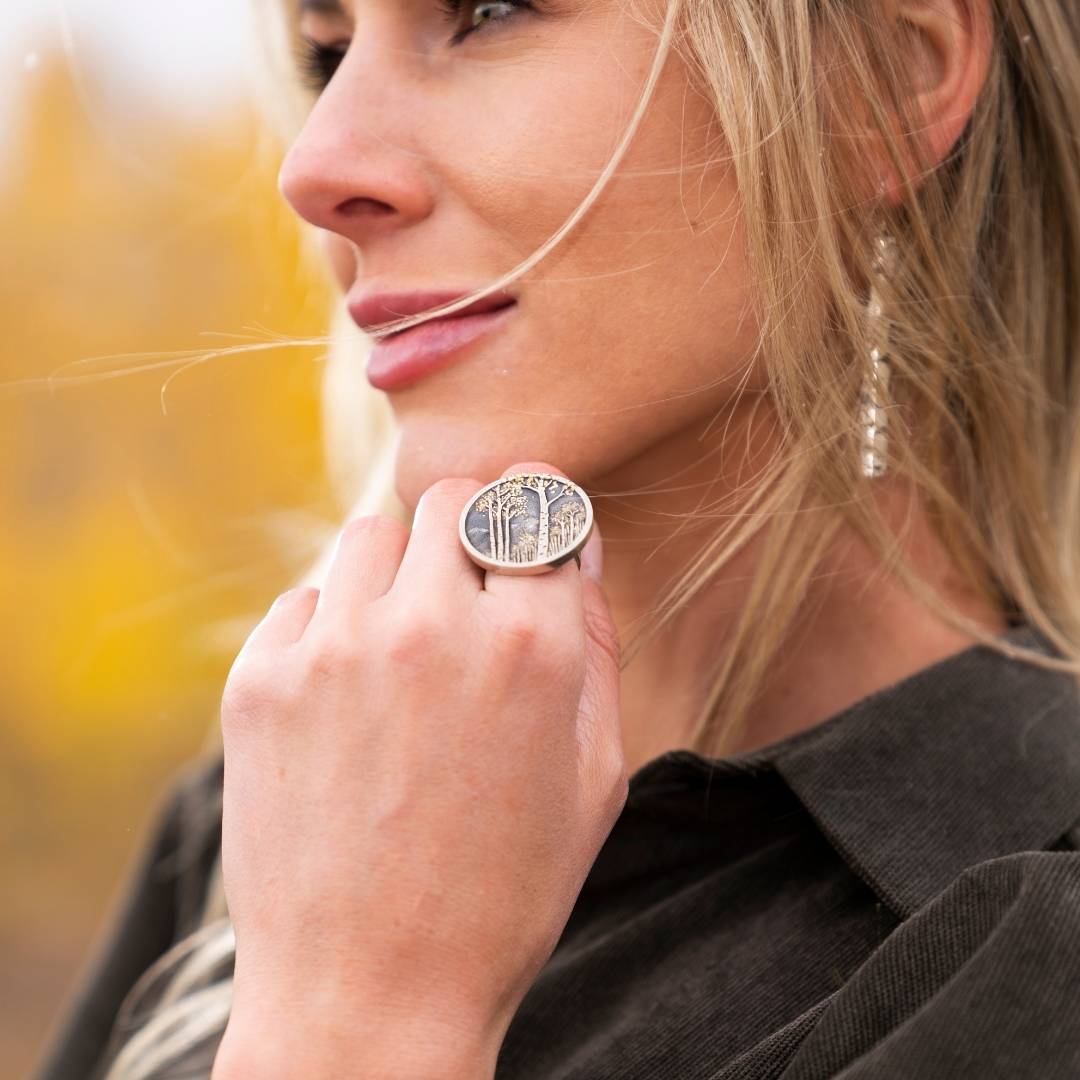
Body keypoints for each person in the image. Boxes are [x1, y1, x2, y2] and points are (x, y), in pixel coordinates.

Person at [33, 0, 1080, 1077]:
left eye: (485, 11)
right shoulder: (268, 811)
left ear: (884, 86)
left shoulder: (1036, 950)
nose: (316, 166)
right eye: (326, 52)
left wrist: (365, 1025)